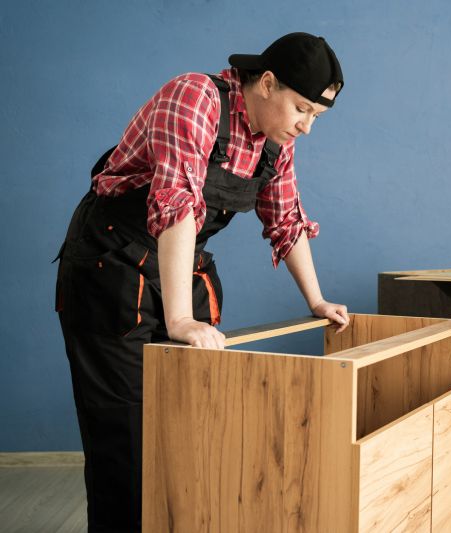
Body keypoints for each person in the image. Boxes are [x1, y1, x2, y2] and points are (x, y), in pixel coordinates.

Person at [54, 32, 349, 532]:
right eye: (301, 109)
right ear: (268, 82)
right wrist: (181, 320)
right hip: (111, 268)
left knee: (189, 428)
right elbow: (175, 207)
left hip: (177, 270)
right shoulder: (195, 97)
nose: (306, 127)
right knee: (125, 441)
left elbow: (285, 219)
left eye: (316, 117)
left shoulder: (274, 141)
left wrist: (317, 301)